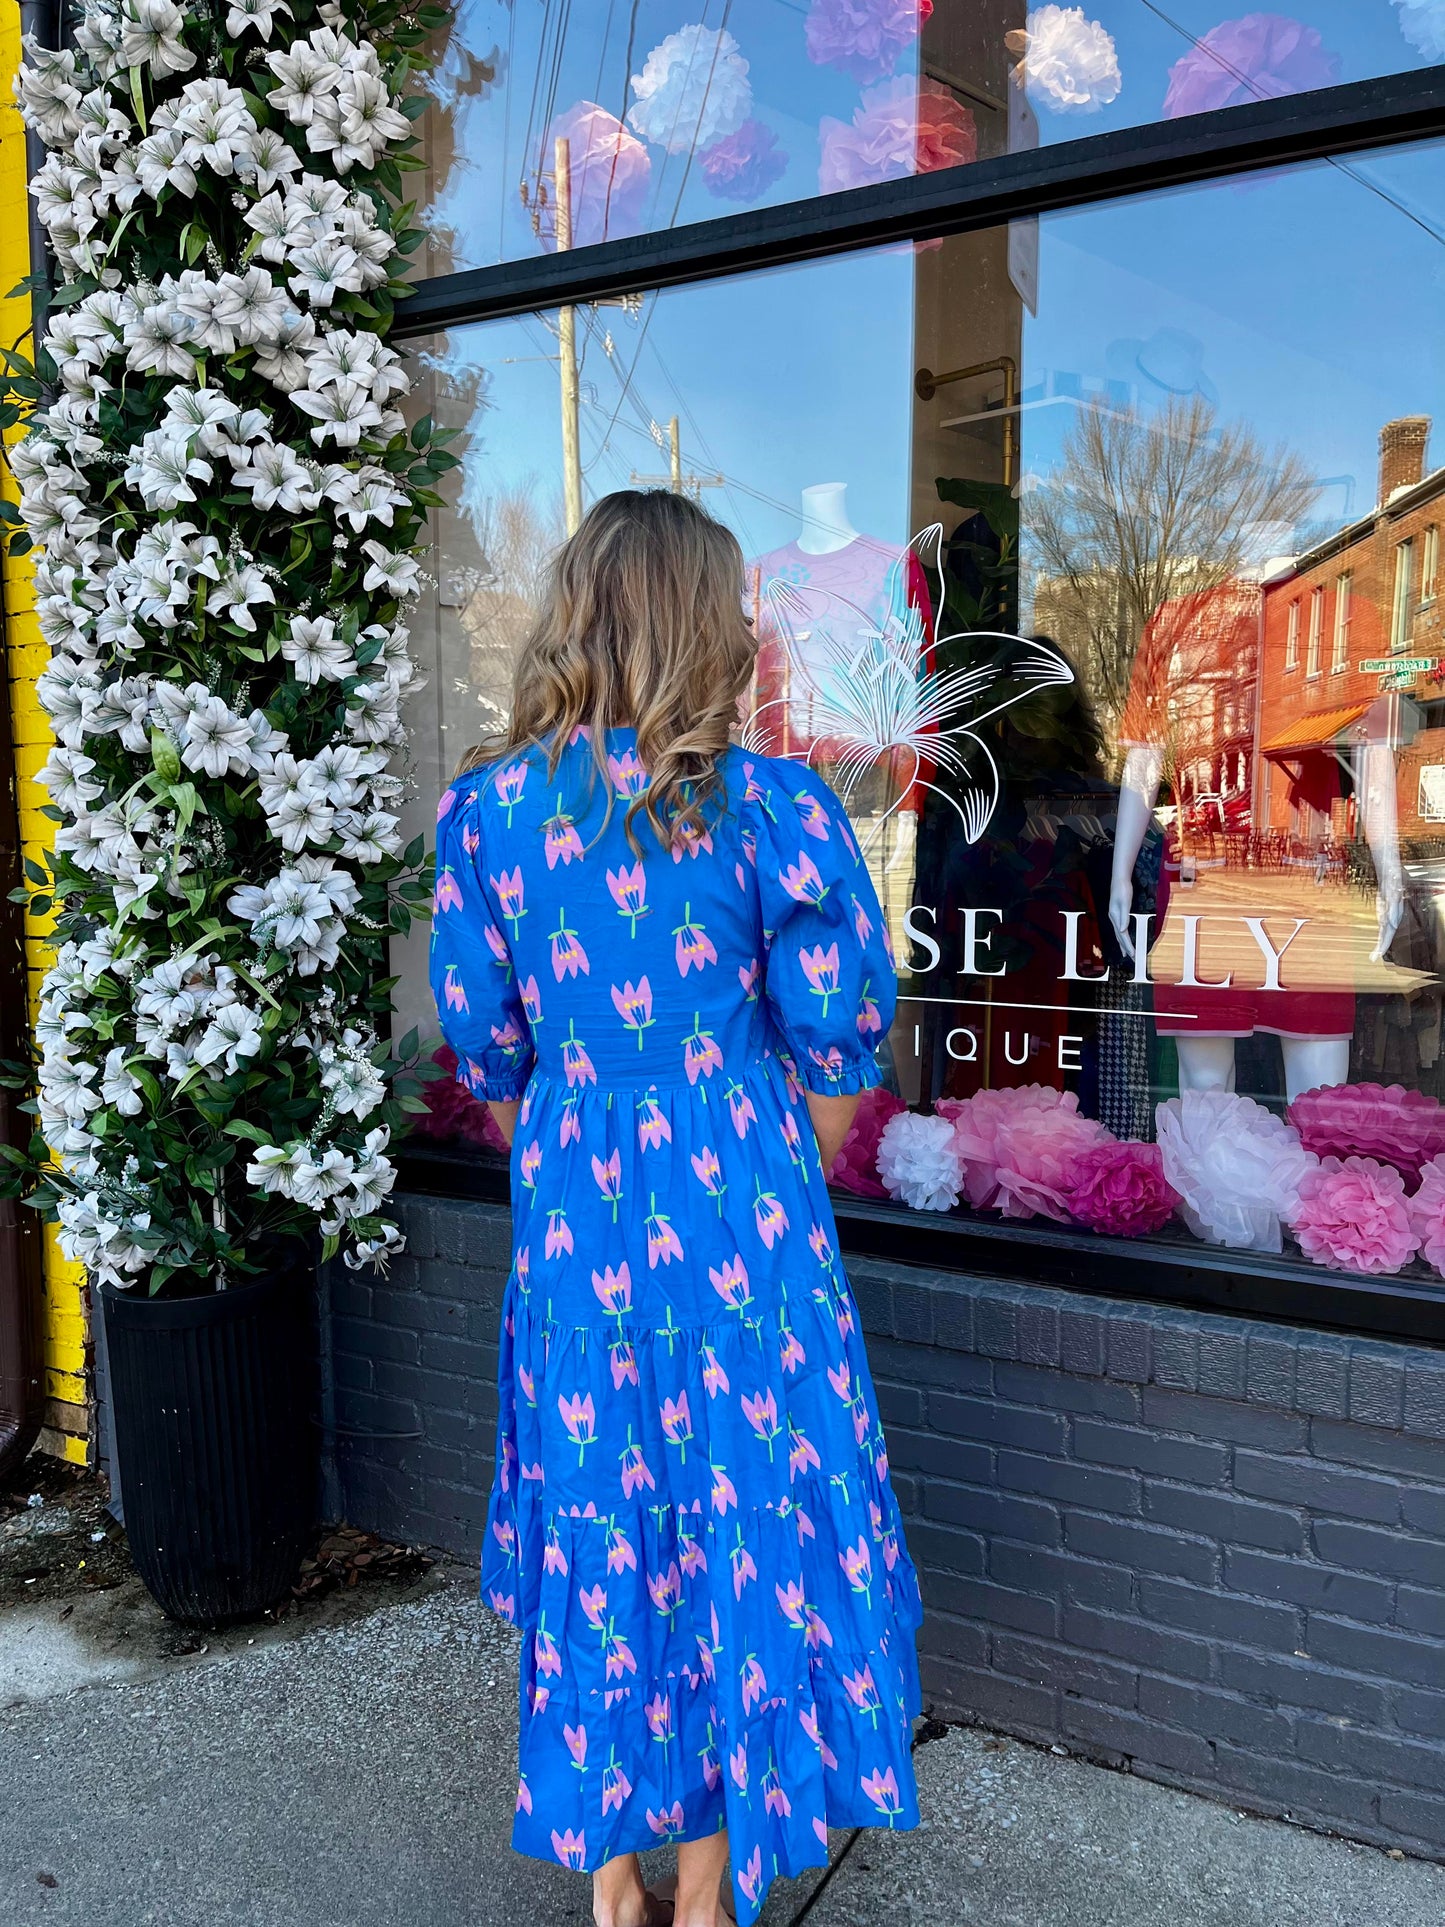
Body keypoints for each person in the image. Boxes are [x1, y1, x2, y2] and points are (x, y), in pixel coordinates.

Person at [429, 491, 924, 1927]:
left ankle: (614, 1885)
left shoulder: (490, 817)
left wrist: (586, 1147)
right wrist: (755, 1160)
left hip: (577, 1217)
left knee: (605, 1516)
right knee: (733, 1522)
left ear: (574, 612)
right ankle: (710, 1891)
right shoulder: (772, 808)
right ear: (719, 623)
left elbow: (493, 1061)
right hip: (745, 1225)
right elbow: (837, 1055)